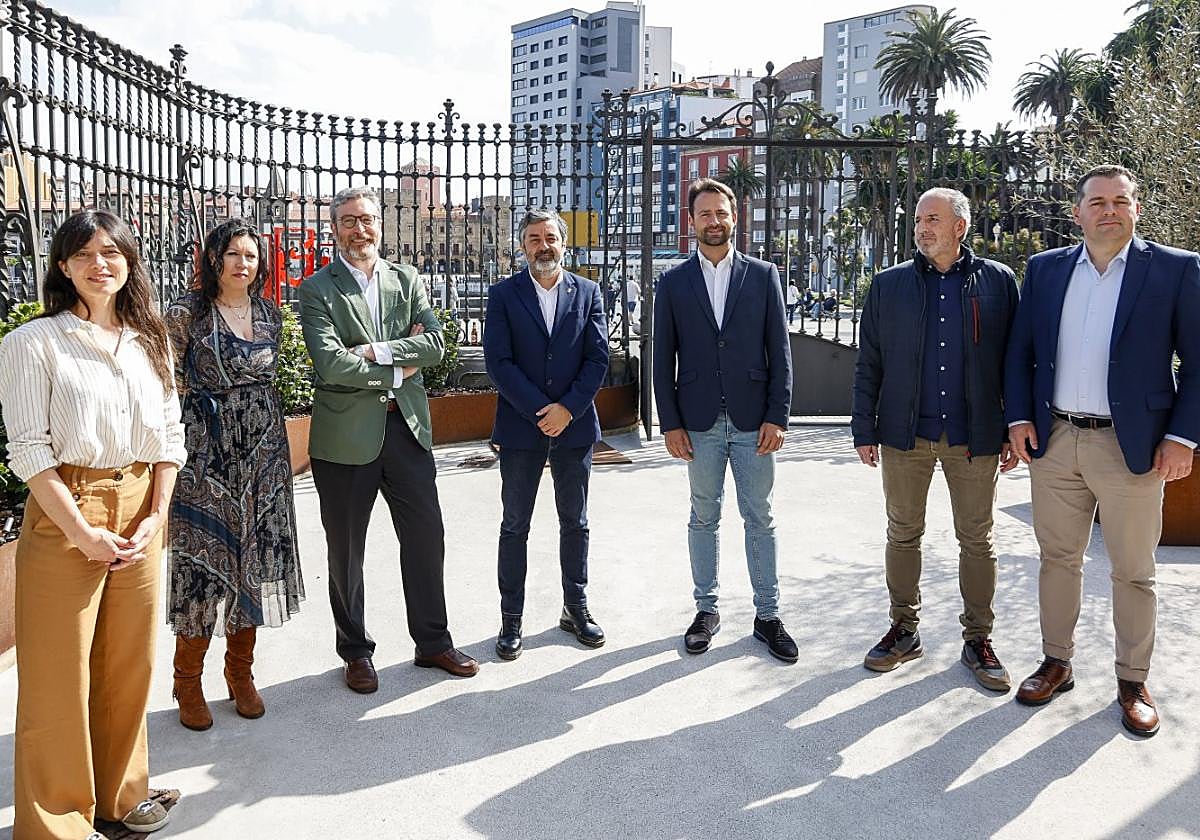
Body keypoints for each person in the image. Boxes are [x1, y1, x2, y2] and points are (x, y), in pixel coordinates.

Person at [0, 210, 186, 838]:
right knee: (58, 675)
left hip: (141, 508)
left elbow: (169, 438)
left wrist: (157, 515)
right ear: (62, 267)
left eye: (111, 252)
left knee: (128, 665)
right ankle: (56, 823)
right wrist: (81, 531)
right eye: (83, 254)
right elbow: (28, 450)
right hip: (65, 514)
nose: (99, 264)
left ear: (130, 261)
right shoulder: (33, 343)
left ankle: (121, 796)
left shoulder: (150, 340)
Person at [1006, 164, 1199, 736]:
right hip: (1057, 440)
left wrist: (1182, 437)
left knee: (1134, 571)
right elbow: (1020, 352)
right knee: (1057, 559)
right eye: (1097, 202)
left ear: (1136, 208)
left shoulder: (1175, 269)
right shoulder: (1044, 271)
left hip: (1133, 447)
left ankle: (1132, 680)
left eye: (1120, 201)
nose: (1108, 210)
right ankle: (1056, 662)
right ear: (1078, 212)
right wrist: (1018, 417)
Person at [299, 186, 478, 693]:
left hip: (408, 432)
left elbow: (437, 344)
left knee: (426, 540)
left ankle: (433, 642)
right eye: (349, 221)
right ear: (335, 228)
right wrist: (399, 372)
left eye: (368, 220)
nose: (360, 230)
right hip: (345, 441)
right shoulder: (317, 289)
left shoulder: (407, 278)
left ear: (381, 224)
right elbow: (331, 363)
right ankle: (355, 652)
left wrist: (375, 352)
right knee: (346, 551)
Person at [851, 188, 1019, 691]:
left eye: (933, 219)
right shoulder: (888, 285)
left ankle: (978, 640)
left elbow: (1016, 360)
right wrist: (865, 426)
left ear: (960, 228)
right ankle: (904, 630)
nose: (922, 228)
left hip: (976, 437)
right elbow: (869, 361)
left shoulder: (998, 282)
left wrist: (1016, 424)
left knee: (978, 539)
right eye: (919, 219)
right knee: (902, 533)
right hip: (906, 435)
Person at [164, 219, 304, 731]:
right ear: (213, 258)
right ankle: (186, 682)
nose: (242, 264)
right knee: (202, 565)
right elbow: (167, 382)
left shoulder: (270, 313)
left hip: (263, 457)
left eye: (251, 256)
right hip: (206, 454)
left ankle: (239, 674)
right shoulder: (187, 312)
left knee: (255, 563)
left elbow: (267, 380)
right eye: (233, 255)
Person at [653, 178, 797, 663]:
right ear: (691, 222)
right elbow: (662, 357)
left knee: (761, 517)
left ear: (735, 217)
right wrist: (669, 422)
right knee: (703, 516)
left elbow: (780, 350)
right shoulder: (672, 282)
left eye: (722, 213)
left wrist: (778, 415)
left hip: (755, 420)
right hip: (697, 423)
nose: (714, 222)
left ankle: (768, 616)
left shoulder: (762, 275)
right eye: (705, 214)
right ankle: (706, 610)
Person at [483, 209, 609, 659]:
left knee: (575, 522)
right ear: (523, 245)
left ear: (563, 242)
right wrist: (543, 411)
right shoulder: (503, 296)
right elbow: (499, 363)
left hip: (574, 429)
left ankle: (575, 609)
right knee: (515, 525)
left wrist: (567, 410)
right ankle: (511, 619)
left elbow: (598, 359)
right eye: (534, 238)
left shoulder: (589, 292)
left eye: (551, 237)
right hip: (521, 429)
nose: (543, 245)